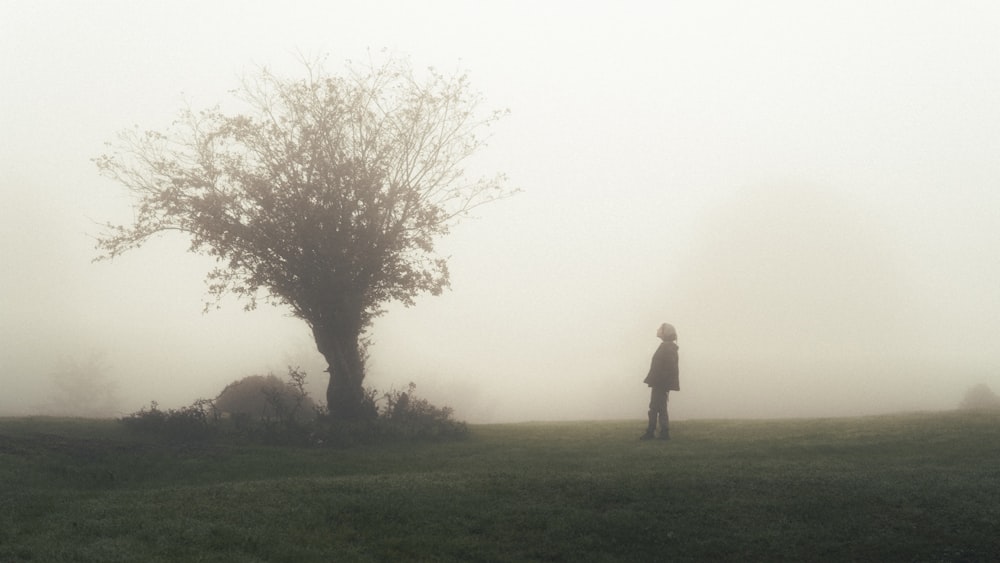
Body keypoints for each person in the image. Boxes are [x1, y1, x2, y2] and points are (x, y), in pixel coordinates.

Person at [640, 322, 679, 440]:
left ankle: (656, 432)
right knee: (658, 407)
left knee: (656, 408)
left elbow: (668, 367)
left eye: (660, 329)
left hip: (660, 383)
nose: (657, 330)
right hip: (660, 383)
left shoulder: (667, 347)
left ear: (665, 333)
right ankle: (660, 432)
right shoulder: (667, 346)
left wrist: (661, 381)